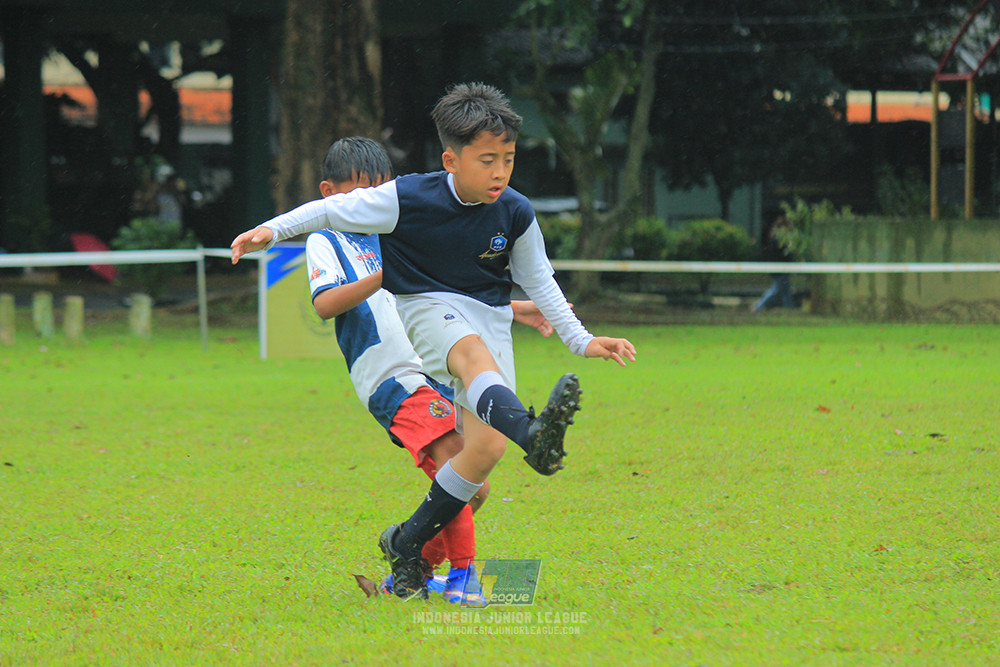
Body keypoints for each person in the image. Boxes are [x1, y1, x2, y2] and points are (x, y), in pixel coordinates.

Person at [231, 82, 637, 601]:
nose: (499, 172)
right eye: (487, 159)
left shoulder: (514, 211)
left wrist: (581, 341)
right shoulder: (407, 198)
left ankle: (407, 544)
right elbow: (327, 214)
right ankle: (527, 451)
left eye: (508, 160)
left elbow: (540, 281)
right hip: (422, 324)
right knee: (469, 359)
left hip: (482, 315)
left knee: (484, 453)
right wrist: (267, 230)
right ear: (451, 159)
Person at [305, 136, 556, 603]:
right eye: (355, 193)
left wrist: (514, 307)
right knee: (455, 457)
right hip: (390, 377)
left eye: (375, 193)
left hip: (435, 369)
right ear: (327, 192)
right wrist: (387, 273)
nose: (367, 203)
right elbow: (324, 305)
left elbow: (449, 288)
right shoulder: (328, 238)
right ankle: (463, 578)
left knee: (473, 489)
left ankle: (408, 558)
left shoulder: (397, 229)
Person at [753, 211, 795, 311]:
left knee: (786, 290)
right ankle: (759, 307)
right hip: (779, 268)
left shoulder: (776, 238)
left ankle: (789, 308)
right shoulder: (778, 240)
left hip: (779, 267)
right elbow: (781, 255)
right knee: (777, 289)